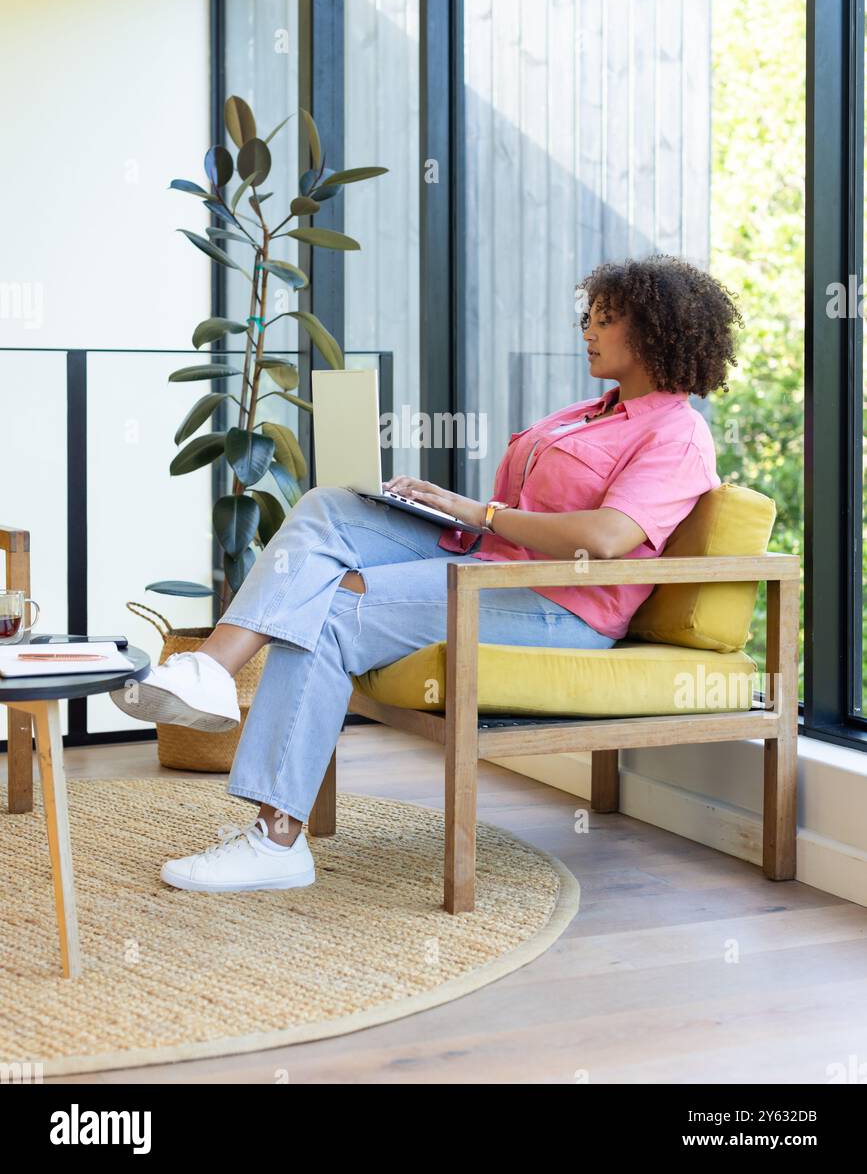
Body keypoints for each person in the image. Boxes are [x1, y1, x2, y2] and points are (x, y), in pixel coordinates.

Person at [112, 252, 741, 893]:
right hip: (488, 563)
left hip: (558, 605)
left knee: (326, 610)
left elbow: (608, 537)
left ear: (654, 333)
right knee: (330, 506)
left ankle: (278, 843)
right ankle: (210, 671)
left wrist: (484, 514)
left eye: (605, 321)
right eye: (591, 318)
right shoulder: (586, 413)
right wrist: (443, 509)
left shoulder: (678, 437)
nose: (588, 332)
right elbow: (517, 515)